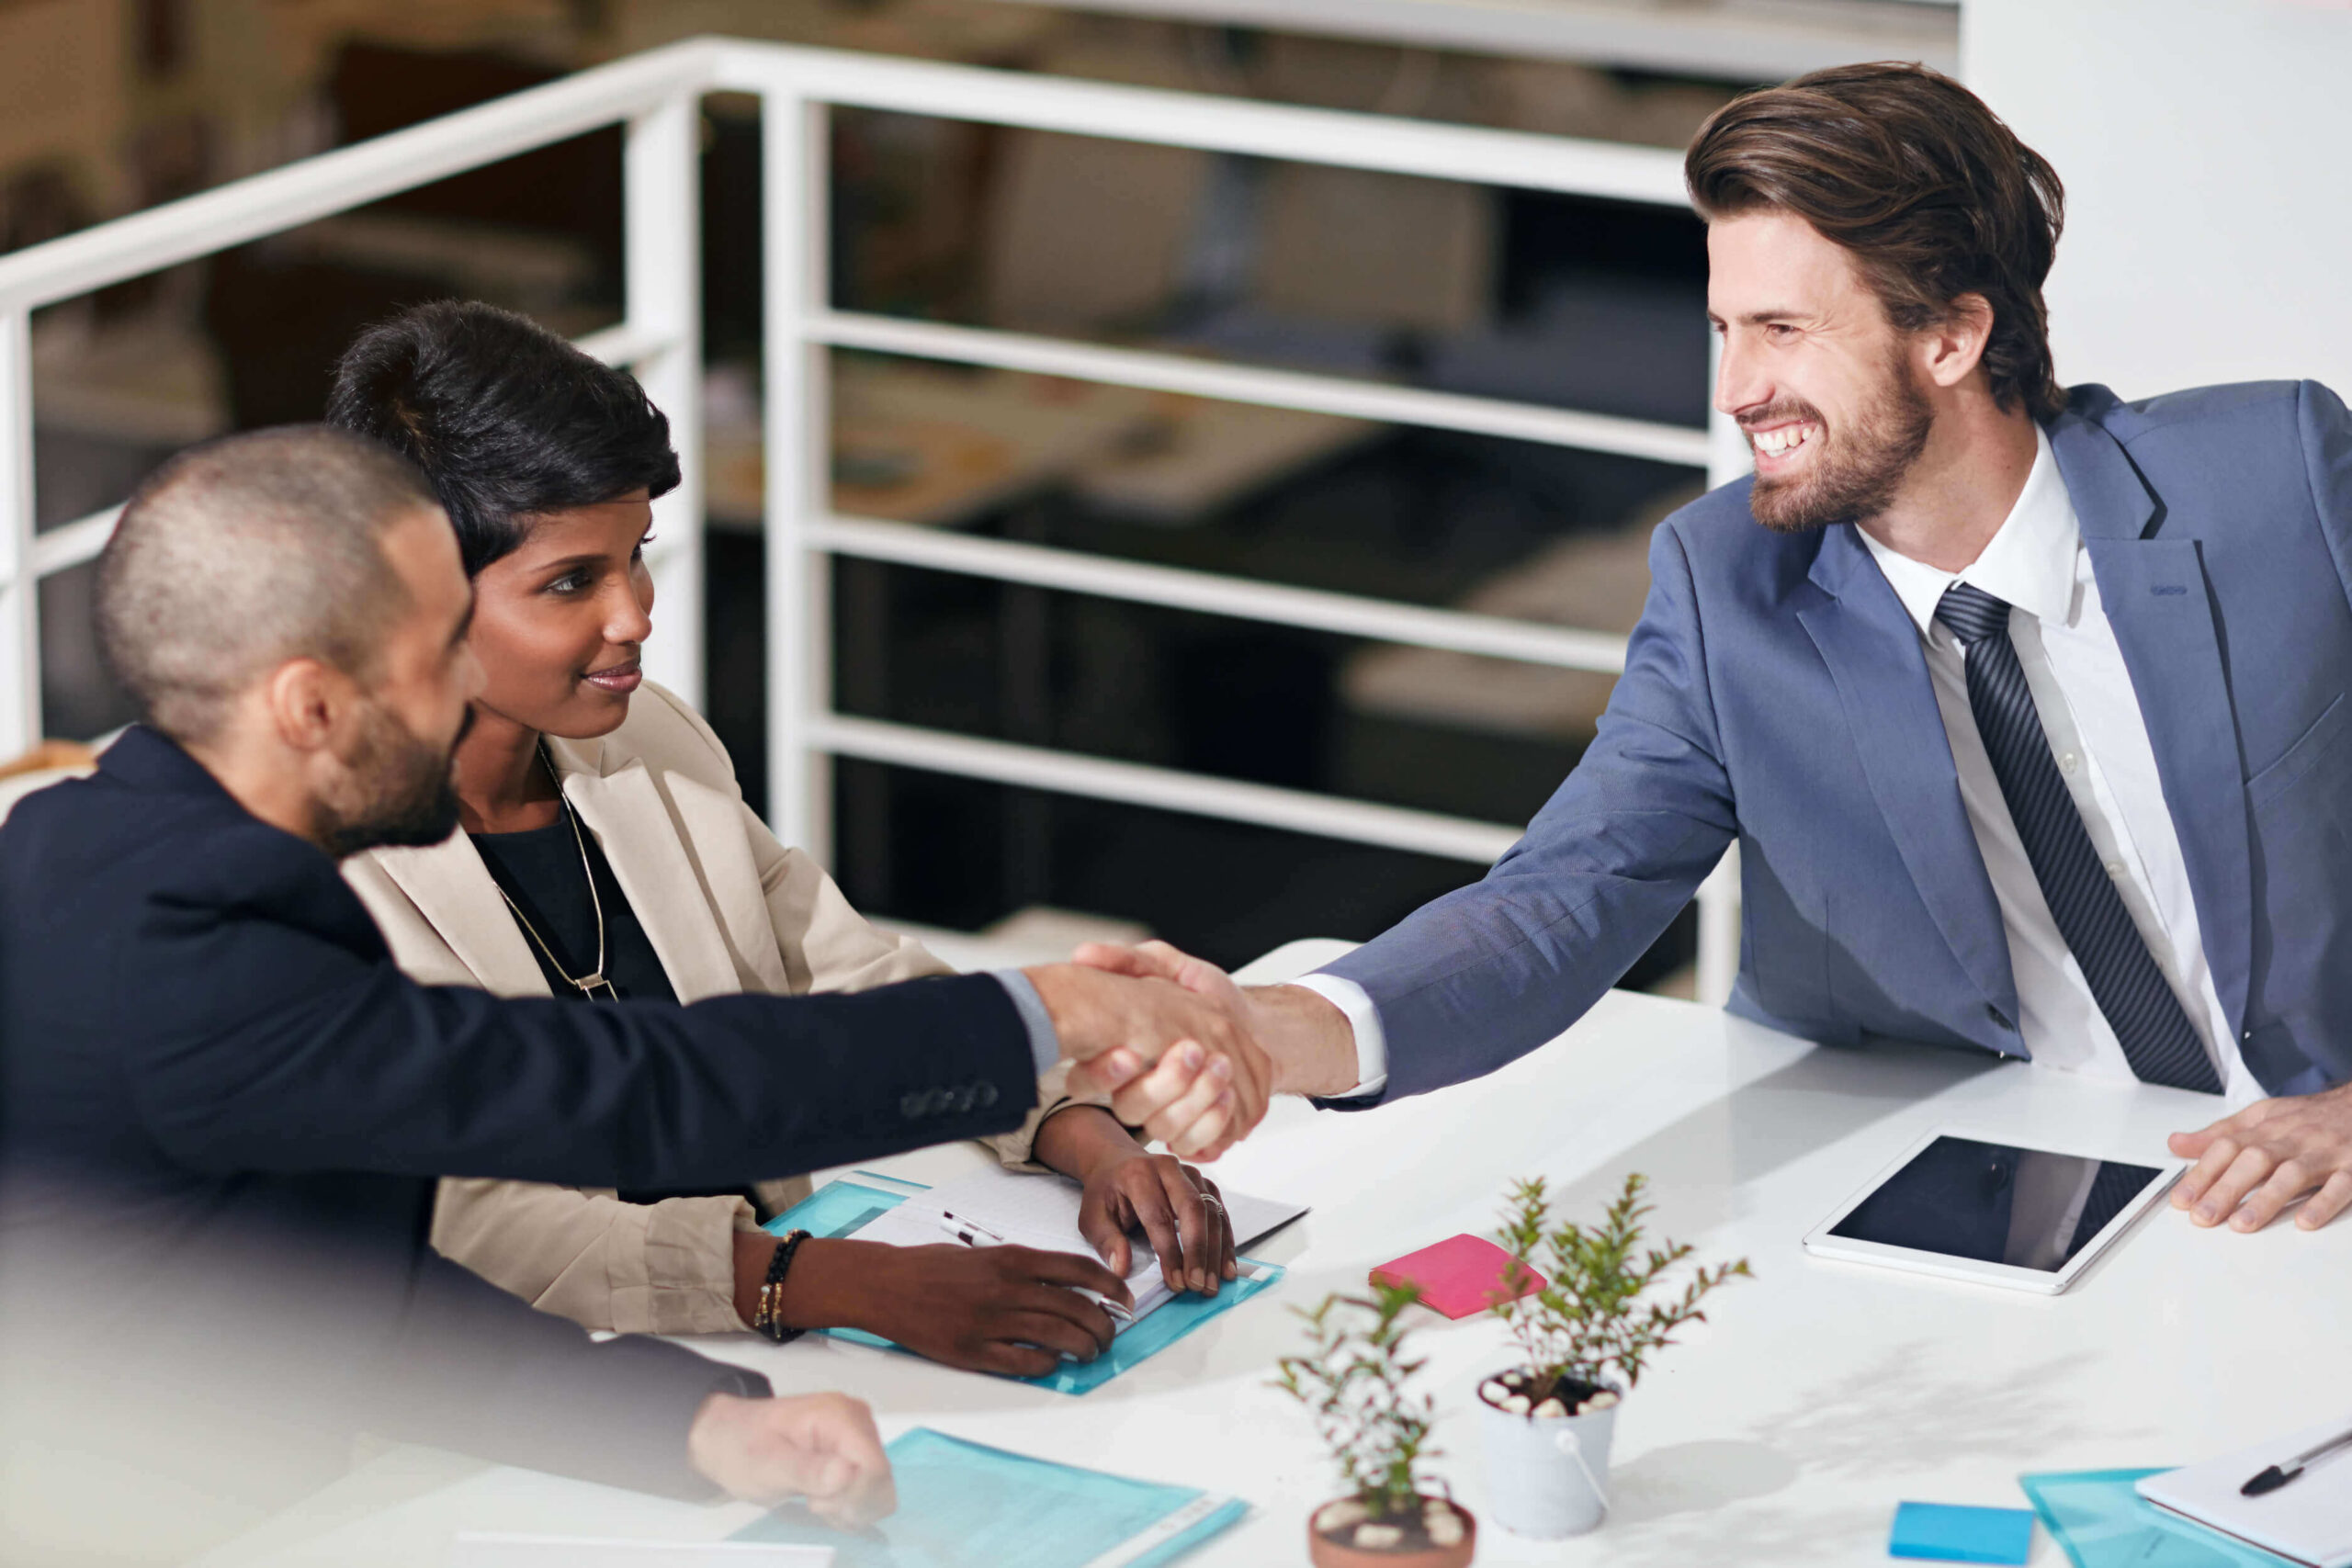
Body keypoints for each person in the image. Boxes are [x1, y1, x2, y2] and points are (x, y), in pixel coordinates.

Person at [1077, 61, 2352, 1238]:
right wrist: (1270, 1030)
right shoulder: (1726, 581)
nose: (1737, 388)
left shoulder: (2273, 483)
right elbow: (1561, 898)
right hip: (1987, 1176)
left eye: (1784, 330)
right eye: (1724, 331)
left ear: (1952, 336)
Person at [0, 427, 1266, 1555]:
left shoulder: (107, 846)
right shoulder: (195, 952)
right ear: (312, 704)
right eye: (440, 650)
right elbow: (637, 1091)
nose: (468, 687)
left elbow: (341, 1281)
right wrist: (1053, 1011)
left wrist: (708, 1429)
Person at [323, 300, 1237, 1369]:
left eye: (636, 555)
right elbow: (472, 1226)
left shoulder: (648, 741)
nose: (635, 614)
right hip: (557, 1386)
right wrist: (830, 1285)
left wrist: (1080, 1130)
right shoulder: (319, 865)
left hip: (796, 1320)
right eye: (572, 581)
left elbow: (854, 973)